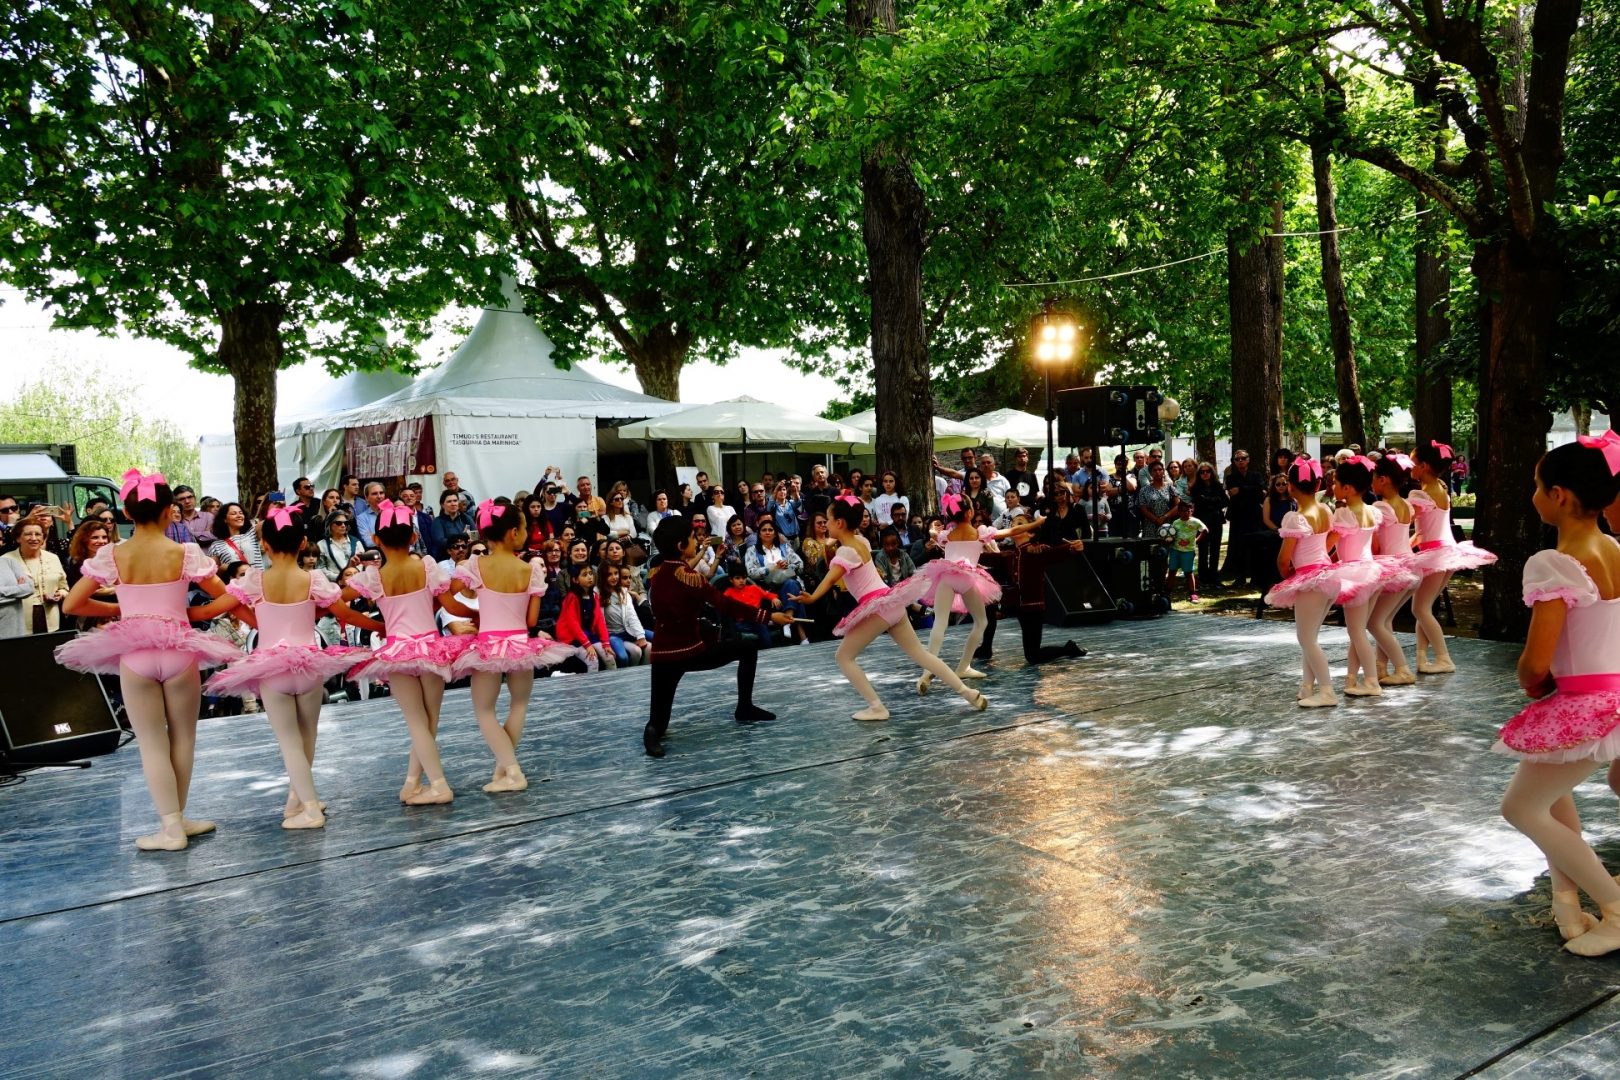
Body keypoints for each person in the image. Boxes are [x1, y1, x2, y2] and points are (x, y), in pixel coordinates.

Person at [57, 470, 239, 850]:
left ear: (125, 510)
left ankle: (171, 825)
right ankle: (178, 818)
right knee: (184, 736)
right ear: (169, 511)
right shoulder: (185, 552)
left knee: (151, 742)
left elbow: (73, 603)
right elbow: (225, 597)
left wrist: (122, 606)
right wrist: (194, 615)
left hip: (135, 653)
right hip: (178, 651)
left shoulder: (113, 554)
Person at [1492, 434, 1620, 956]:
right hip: (1611, 692)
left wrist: (1533, 682)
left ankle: (1615, 906)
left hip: (1585, 700)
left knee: (1520, 808)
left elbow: (1535, 661)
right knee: (1548, 793)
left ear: (1561, 495)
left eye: (1537, 487)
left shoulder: (1556, 562)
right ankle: (1567, 903)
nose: (1533, 496)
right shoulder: (1614, 548)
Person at [196, 507, 380, 829]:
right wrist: (382, 626)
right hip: (309, 664)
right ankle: (298, 799)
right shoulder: (314, 578)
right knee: (307, 736)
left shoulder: (256, 579)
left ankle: (308, 806)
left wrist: (170, 609)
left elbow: (216, 608)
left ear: (264, 544)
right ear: (303, 543)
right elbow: (346, 615)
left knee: (289, 741)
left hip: (272, 668)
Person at [800, 497, 986, 721]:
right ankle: (968, 693)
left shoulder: (846, 552)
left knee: (843, 657)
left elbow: (830, 580)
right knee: (920, 654)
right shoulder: (860, 542)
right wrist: (831, 545)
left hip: (878, 606)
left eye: (828, 520)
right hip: (892, 602)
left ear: (839, 522)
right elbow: (839, 557)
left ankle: (877, 707)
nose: (825, 525)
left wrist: (811, 598)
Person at [440, 500, 574, 792]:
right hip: (519, 643)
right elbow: (531, 619)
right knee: (519, 703)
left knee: (484, 710)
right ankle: (504, 771)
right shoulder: (530, 570)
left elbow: (446, 597)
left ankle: (511, 771)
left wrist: (474, 614)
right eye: (526, 527)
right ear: (514, 532)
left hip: (488, 645)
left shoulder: (476, 565)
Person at [344, 500, 464, 805]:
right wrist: (478, 616)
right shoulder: (426, 566)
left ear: (376, 539)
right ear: (413, 536)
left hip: (397, 651)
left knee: (415, 721)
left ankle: (434, 785)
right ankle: (416, 784)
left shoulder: (373, 577)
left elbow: (336, 601)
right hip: (430, 648)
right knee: (429, 721)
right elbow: (449, 605)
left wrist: (375, 626)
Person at [640, 516, 793, 757]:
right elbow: (726, 604)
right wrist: (769, 617)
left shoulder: (657, 574)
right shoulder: (690, 578)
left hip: (663, 657)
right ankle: (744, 707)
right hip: (692, 651)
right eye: (692, 538)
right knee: (747, 647)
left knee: (657, 724)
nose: (696, 541)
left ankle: (651, 734)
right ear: (681, 546)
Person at [915, 493, 1040, 691]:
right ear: (971, 512)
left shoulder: (947, 535)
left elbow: (932, 534)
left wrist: (932, 529)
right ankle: (963, 665)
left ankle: (926, 671)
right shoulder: (980, 532)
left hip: (945, 577)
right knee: (981, 622)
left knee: (939, 624)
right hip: (967, 578)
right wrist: (1037, 522)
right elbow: (1014, 529)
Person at [1409, 440, 1498, 673]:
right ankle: (1422, 658)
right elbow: (1424, 529)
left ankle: (1442, 657)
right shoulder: (1440, 487)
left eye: (1414, 463)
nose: (1411, 468)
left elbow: (1408, 522)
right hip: (1447, 550)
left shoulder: (1420, 493)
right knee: (1424, 607)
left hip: (1435, 553)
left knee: (1420, 609)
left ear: (1425, 466)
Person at [1263, 459, 1341, 708]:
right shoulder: (1325, 511)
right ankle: (1308, 686)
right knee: (1311, 636)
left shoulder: (1296, 518)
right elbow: (1328, 543)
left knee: (1306, 638)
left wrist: (1291, 577)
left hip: (1311, 579)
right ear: (1318, 483)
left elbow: (1284, 560)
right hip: (1327, 574)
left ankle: (1327, 691)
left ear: (1291, 487)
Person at [1328, 457, 1392, 698]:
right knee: (1357, 630)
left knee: (1356, 631)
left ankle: (1372, 682)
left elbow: (1328, 545)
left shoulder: (1345, 514)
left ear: (1348, 488)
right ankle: (1352, 679)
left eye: (1335, 482)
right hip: (1372, 572)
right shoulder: (1371, 511)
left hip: (1355, 574)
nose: (1332, 486)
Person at [1369, 454, 1424, 686]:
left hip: (1392, 567)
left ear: (1383, 480)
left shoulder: (1380, 506)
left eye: (1373, 478)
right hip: (1410, 565)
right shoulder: (1406, 505)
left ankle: (1402, 668)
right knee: (1385, 619)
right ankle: (1381, 666)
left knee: (1373, 622)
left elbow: (1376, 545)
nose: (1371, 483)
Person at [2, 520, 69, 633]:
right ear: (18, 538)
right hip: (18, 622)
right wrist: (19, 590)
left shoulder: (53, 558)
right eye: (28, 534)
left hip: (51, 621)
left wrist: (60, 594)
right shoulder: (5, 560)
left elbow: (64, 588)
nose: (34, 538)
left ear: (43, 538)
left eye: (38, 534)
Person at [556, 564, 615, 671]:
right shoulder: (571, 598)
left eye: (591, 573)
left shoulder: (595, 596)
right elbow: (573, 625)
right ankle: (590, 687)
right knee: (592, 660)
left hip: (588, 634)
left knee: (609, 657)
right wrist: (587, 645)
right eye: (584, 575)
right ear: (575, 580)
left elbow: (600, 621)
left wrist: (606, 643)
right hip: (573, 637)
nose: (590, 577)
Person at [1222, 449, 1266, 584]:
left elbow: (1261, 491)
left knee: (1255, 545)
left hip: (1254, 515)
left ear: (1248, 460)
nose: (1240, 461)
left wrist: (1241, 490)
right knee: (1238, 546)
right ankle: (1240, 576)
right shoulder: (1231, 477)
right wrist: (1251, 490)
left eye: (1243, 458)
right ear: (1234, 462)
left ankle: (1255, 576)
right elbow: (1232, 492)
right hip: (1238, 516)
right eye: (1237, 459)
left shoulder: (1256, 475)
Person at [602, 563, 653, 665]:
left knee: (654, 642)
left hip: (629, 631)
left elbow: (632, 615)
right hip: (613, 634)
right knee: (624, 656)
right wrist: (605, 642)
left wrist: (640, 636)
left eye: (616, 574)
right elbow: (600, 621)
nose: (614, 577)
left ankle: (644, 674)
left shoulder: (624, 592)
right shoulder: (600, 593)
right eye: (609, 574)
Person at [1189, 462, 1229, 585]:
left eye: (1208, 471)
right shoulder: (1195, 487)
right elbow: (1199, 501)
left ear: (1212, 473)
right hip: (1202, 522)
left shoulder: (1218, 485)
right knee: (1203, 549)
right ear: (1199, 474)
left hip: (1216, 521)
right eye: (1202, 472)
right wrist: (1214, 500)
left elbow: (1225, 501)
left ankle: (1214, 575)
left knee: (1215, 549)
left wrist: (1209, 500)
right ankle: (1203, 576)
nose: (1205, 474)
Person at [1167, 502, 1207, 603]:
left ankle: (1193, 593)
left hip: (1188, 551)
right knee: (1172, 571)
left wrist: (1196, 540)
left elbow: (1205, 530)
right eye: (1182, 511)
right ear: (1179, 512)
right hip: (1175, 550)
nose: (1185, 513)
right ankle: (1167, 592)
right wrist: (1169, 539)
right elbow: (1172, 534)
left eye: (1188, 511)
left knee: (1188, 572)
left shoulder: (1195, 522)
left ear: (1191, 511)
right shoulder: (1176, 523)